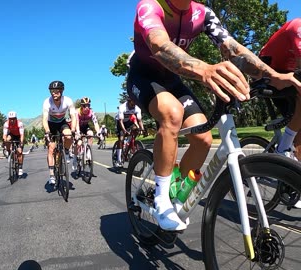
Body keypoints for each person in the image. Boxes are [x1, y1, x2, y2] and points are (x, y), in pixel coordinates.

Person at [128, 0, 301, 231]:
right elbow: (158, 45)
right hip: (143, 77)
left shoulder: (202, 13)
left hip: (173, 79)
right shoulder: (151, 6)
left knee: (203, 139)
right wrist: (205, 69)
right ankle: (161, 199)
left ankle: (175, 191)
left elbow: (232, 48)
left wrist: (272, 76)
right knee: (171, 114)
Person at [259, 18, 301, 208]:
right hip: (268, 72)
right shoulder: (298, 27)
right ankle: (283, 147)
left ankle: (293, 177)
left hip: (288, 74)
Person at [42, 80, 77, 185]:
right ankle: (52, 174)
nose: (53, 93)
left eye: (56, 91)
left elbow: (73, 116)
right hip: (51, 125)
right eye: (52, 91)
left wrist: (74, 129)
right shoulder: (47, 102)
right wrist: (47, 131)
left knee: (68, 135)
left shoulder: (68, 100)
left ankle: (66, 152)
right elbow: (44, 119)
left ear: (62, 91)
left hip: (62, 122)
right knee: (51, 149)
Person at [114, 97, 146, 167]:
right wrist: (124, 131)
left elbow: (139, 120)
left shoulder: (137, 107)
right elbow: (120, 121)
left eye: (135, 102)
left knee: (136, 129)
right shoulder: (122, 107)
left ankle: (130, 144)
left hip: (128, 122)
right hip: (120, 122)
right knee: (121, 138)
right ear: (128, 101)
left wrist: (142, 129)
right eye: (132, 103)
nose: (134, 104)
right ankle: (118, 159)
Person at [3, 111, 25, 176]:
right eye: (10, 119)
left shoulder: (20, 124)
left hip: (19, 136)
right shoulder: (6, 124)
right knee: (7, 140)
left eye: (13, 119)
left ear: (16, 118)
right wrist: (4, 141)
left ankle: (20, 167)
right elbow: (4, 134)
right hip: (12, 135)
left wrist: (21, 143)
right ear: (8, 119)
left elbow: (22, 135)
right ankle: (9, 151)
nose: (12, 120)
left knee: (19, 152)